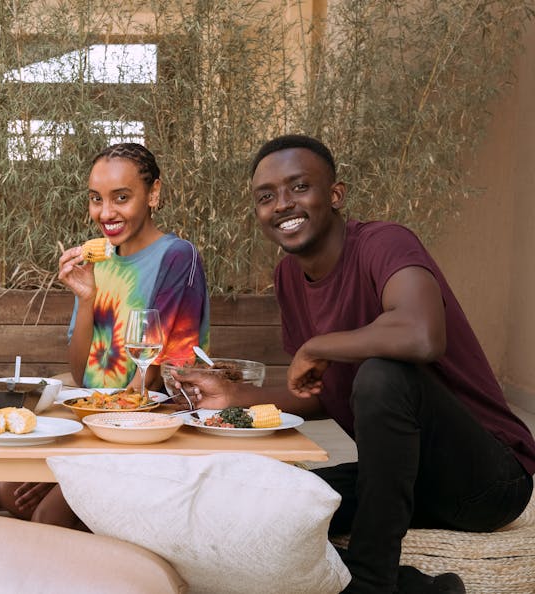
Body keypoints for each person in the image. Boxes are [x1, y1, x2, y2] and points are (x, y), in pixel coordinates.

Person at [174, 134, 535, 594]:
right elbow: (327, 390)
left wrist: (318, 345)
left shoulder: (384, 244)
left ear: (336, 195)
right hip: (403, 474)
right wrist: (237, 400)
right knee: (280, 508)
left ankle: (371, 581)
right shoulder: (288, 277)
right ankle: (423, 589)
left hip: (488, 481)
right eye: (266, 197)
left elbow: (422, 334)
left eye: (299, 187)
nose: (282, 204)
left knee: (383, 374)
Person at [0, 142, 210, 528]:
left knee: (47, 515)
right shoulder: (99, 260)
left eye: (122, 198)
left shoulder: (178, 257)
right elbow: (82, 375)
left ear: (154, 194)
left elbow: (154, 373)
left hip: (147, 426)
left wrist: (75, 458)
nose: (106, 213)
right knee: (7, 490)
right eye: (96, 199)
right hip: (96, 419)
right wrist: (88, 296)